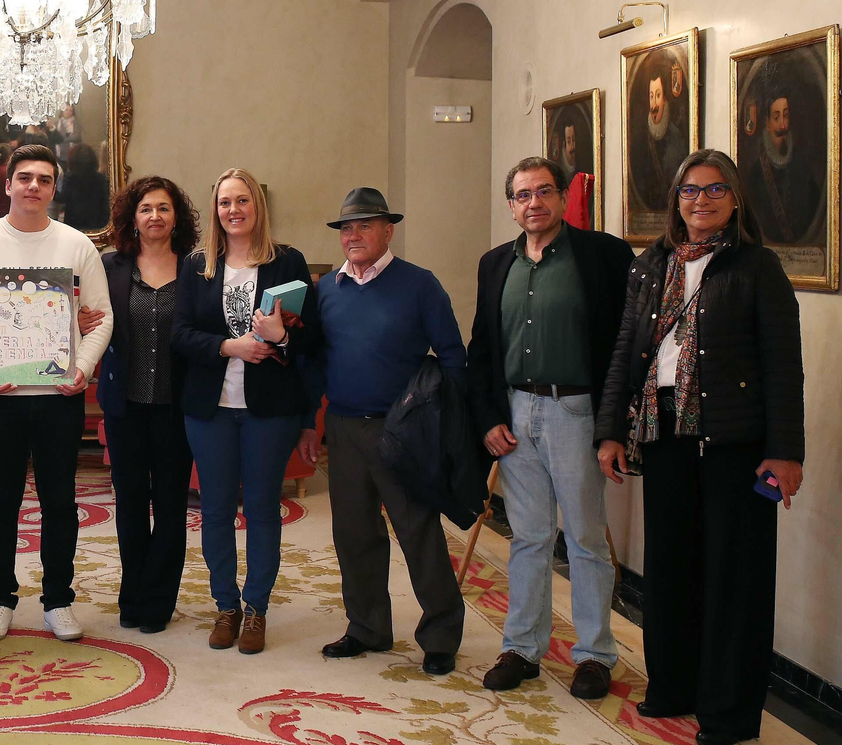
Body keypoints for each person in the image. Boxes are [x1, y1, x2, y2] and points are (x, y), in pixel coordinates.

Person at [596, 149, 804, 745]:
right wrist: (611, 430)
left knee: (733, 578)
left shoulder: (756, 268)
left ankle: (729, 710)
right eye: (690, 191)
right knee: (670, 570)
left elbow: (783, 369)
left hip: (737, 446)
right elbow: (624, 355)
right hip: (664, 438)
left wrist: (785, 451)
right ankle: (674, 687)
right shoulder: (649, 266)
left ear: (735, 199)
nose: (701, 201)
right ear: (675, 200)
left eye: (715, 191)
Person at [466, 158, 634, 698]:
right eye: (521, 195)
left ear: (562, 198)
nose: (533, 203)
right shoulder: (496, 264)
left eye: (543, 192)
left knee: (584, 537)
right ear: (510, 205)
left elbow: (622, 347)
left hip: (575, 411)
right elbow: (483, 350)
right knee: (529, 536)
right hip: (515, 413)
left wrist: (612, 425)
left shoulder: (602, 256)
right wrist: (489, 417)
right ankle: (521, 647)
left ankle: (593, 655)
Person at [0, 143, 113, 642]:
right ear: (7, 184)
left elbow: (101, 316)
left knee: (59, 502)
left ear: (54, 187)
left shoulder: (76, 246)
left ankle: (58, 600)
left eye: (44, 180)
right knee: (0, 500)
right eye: (24, 178)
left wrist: (83, 370)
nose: (33, 187)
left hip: (59, 396)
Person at [315, 187, 467, 675]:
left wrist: (450, 426)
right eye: (346, 228)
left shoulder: (419, 285)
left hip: (402, 431)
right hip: (343, 427)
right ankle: (367, 628)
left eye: (364, 226)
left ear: (387, 230)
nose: (353, 235)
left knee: (418, 532)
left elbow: (453, 358)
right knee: (354, 534)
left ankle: (441, 634)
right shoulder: (325, 290)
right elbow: (314, 360)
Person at [172, 168, 319, 655]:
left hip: (269, 410)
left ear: (258, 206)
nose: (233, 210)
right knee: (214, 511)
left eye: (242, 201)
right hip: (210, 409)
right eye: (224, 203)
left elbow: (311, 339)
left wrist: (282, 337)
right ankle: (225, 606)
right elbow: (181, 334)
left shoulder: (288, 261)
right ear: (215, 210)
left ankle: (256, 608)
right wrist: (230, 347)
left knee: (261, 510)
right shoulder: (197, 264)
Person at [96, 177, 201, 634]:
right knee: (132, 504)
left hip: (178, 408)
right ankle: (132, 595)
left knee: (172, 505)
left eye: (163, 208)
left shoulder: (197, 269)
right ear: (131, 218)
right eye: (145, 209)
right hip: (126, 406)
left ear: (177, 216)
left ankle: (158, 600)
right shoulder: (111, 266)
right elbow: (92, 320)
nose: (154, 216)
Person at [746, 94, 823, 244]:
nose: (783, 125)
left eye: (786, 116)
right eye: (776, 118)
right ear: (767, 124)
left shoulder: (802, 166)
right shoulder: (756, 174)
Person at [632, 65, 688, 213]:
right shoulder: (640, 138)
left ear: (665, 98)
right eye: (651, 96)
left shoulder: (675, 135)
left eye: (658, 96)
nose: (654, 104)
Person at [59, 142, 111, 232]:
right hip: (97, 223)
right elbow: (105, 204)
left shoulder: (70, 178)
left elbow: (63, 198)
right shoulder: (102, 179)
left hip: (74, 224)